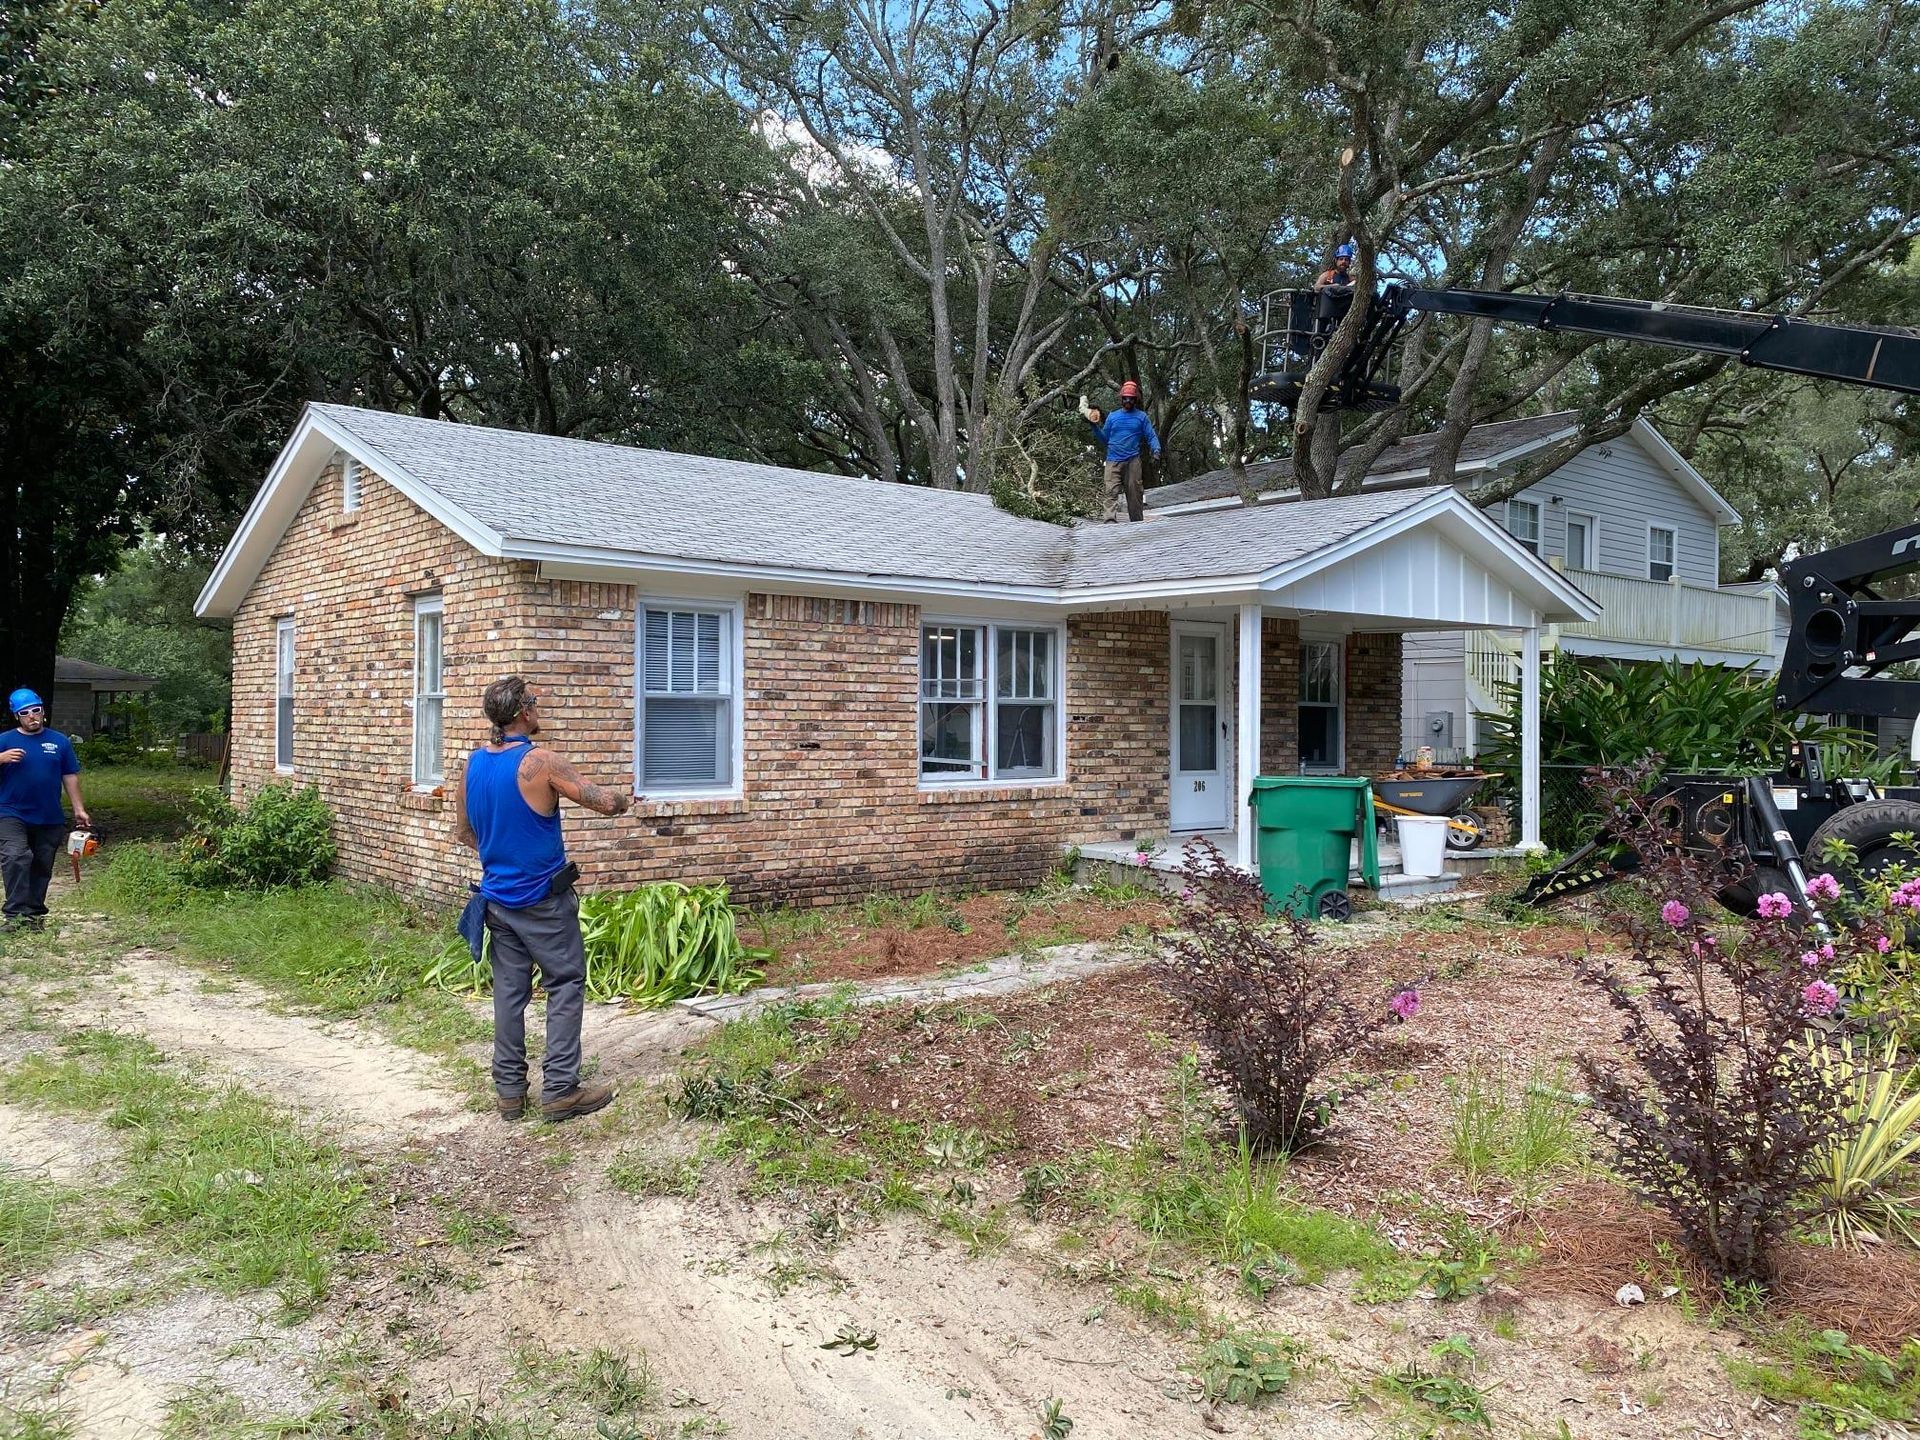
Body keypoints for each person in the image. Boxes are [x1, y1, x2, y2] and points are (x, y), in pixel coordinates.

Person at [454, 676, 632, 1123]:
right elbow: (603, 803)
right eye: (533, 702)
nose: (538, 708)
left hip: (496, 901)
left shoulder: (472, 765)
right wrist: (625, 798)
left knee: (510, 996)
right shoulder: (541, 762)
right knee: (566, 983)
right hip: (544, 903)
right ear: (522, 713)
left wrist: (504, 853)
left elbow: (463, 832)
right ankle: (560, 1091)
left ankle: (510, 1094)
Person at [0, 688, 89, 930]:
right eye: (25, 713)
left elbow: (69, 776)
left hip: (49, 815)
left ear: (43, 711)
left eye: (35, 710)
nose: (32, 716)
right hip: (10, 813)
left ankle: (34, 916)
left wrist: (79, 809)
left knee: (41, 865)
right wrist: (2, 758)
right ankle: (15, 915)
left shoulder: (59, 741)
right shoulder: (4, 741)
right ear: (17, 716)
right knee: (17, 857)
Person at [1079, 379, 1161, 522]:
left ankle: (1137, 523)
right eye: (1125, 398)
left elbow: (1151, 435)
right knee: (1110, 492)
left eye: (1131, 398)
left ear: (1135, 399)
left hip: (1132, 461)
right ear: (1121, 398)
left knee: (1135, 493)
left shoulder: (1141, 417)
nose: (1128, 400)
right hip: (1113, 460)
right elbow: (1105, 440)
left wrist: (1156, 449)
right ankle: (1110, 521)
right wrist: (1093, 426)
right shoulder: (1113, 417)